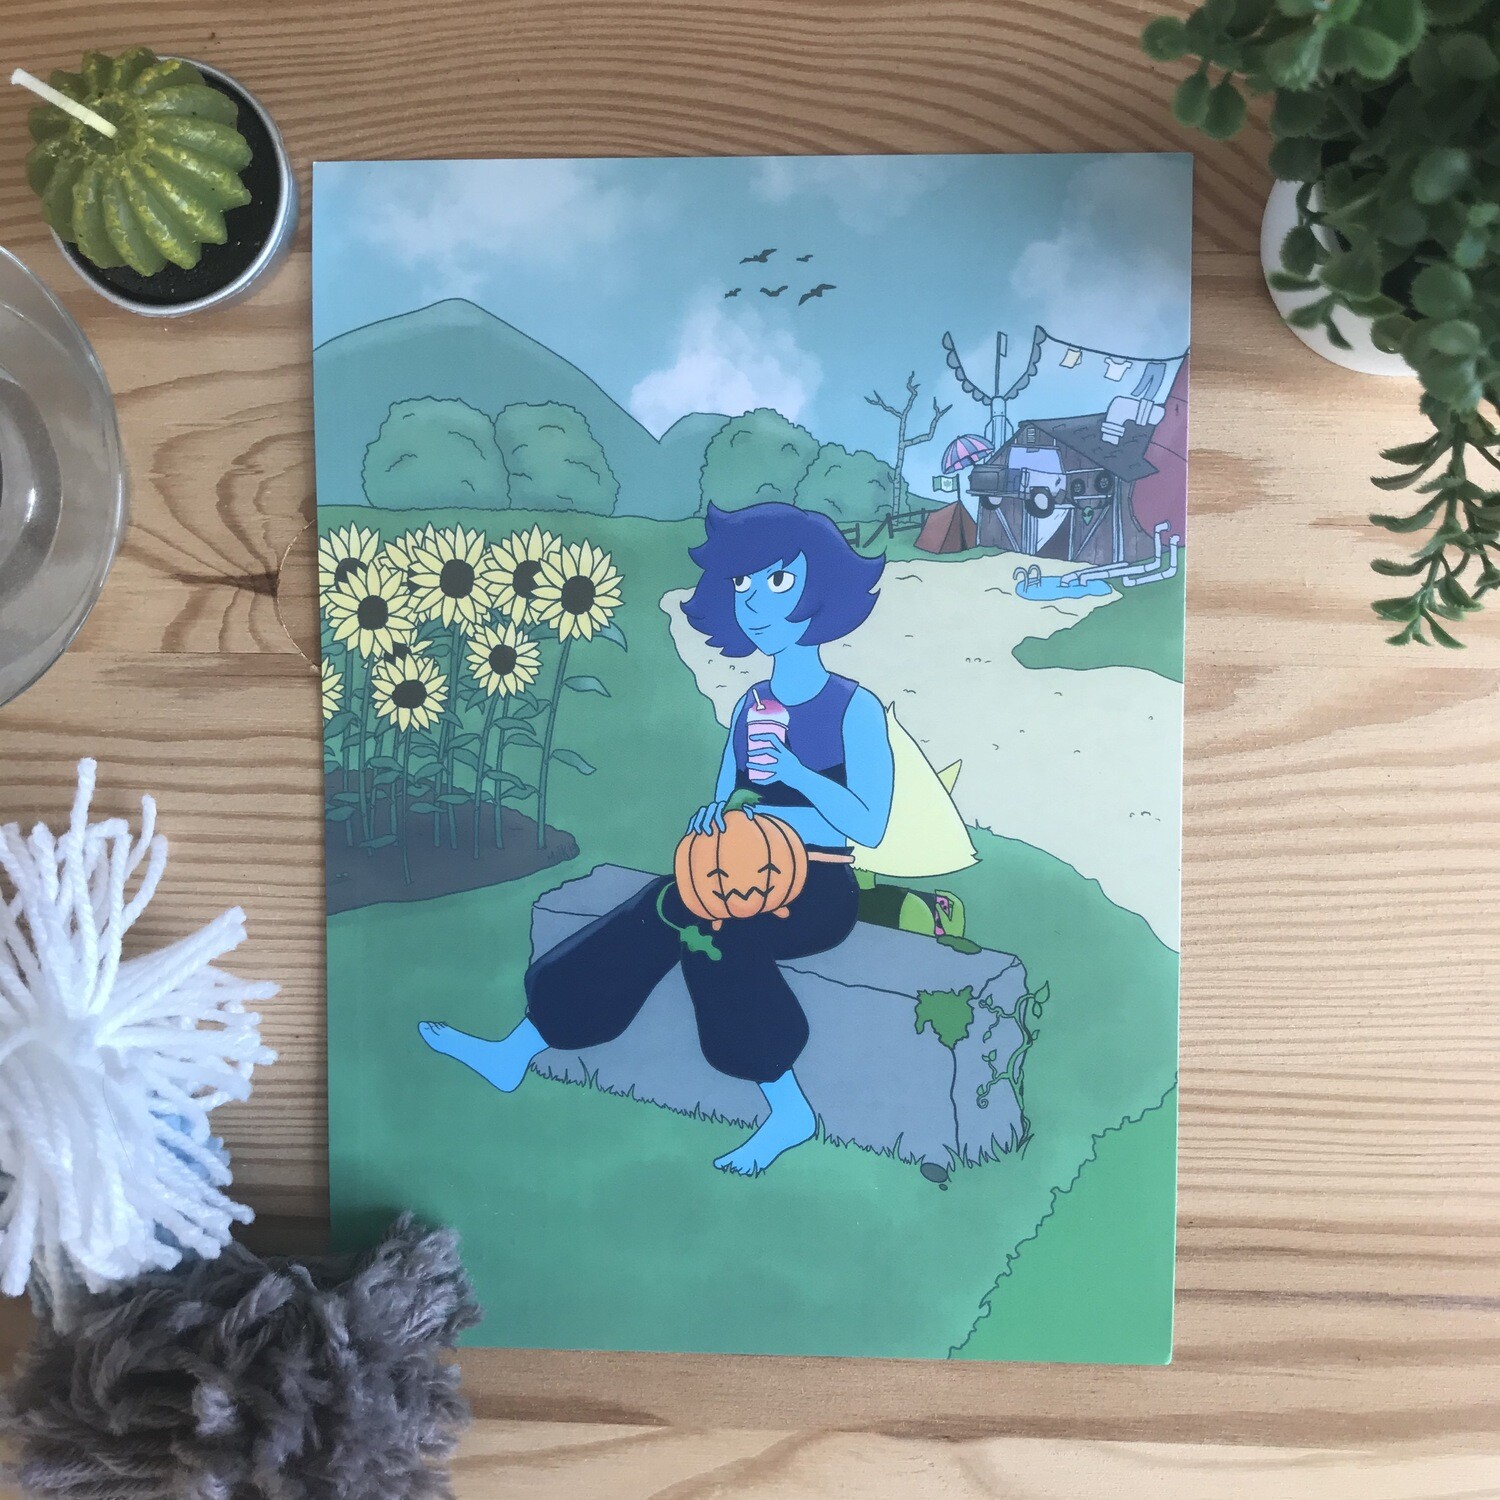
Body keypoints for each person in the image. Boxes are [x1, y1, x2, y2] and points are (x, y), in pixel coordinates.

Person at [419, 502, 894, 1176]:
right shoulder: (751, 706)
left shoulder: (854, 708)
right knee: (662, 906)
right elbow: (728, 798)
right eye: (743, 584)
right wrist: (715, 819)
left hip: (817, 886)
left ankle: (788, 1109)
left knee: (716, 931)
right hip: (740, 869)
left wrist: (792, 780)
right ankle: (517, 1050)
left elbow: (869, 825)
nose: (755, 601)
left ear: (824, 589)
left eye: (777, 581)